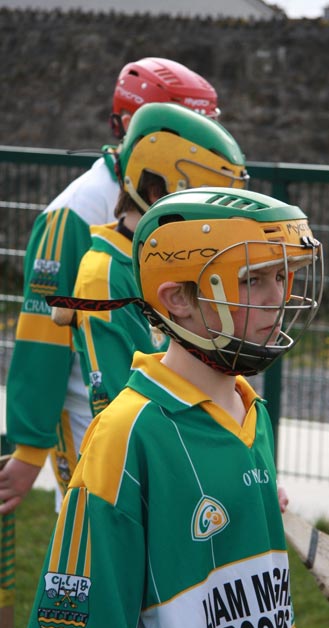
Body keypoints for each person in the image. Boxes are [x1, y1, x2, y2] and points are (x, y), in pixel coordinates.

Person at [23, 186, 323, 628]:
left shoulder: (249, 411)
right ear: (178, 299)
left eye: (283, 277)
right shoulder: (127, 435)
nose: (277, 297)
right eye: (252, 280)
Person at [0, 58, 220, 514]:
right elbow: (44, 334)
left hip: (166, 415)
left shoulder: (188, 208)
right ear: (125, 125)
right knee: (97, 543)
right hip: (92, 418)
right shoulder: (76, 213)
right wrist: (29, 449)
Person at [69, 102, 248, 418]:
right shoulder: (106, 276)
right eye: (206, 195)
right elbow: (120, 421)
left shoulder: (178, 261)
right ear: (156, 192)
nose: (218, 216)